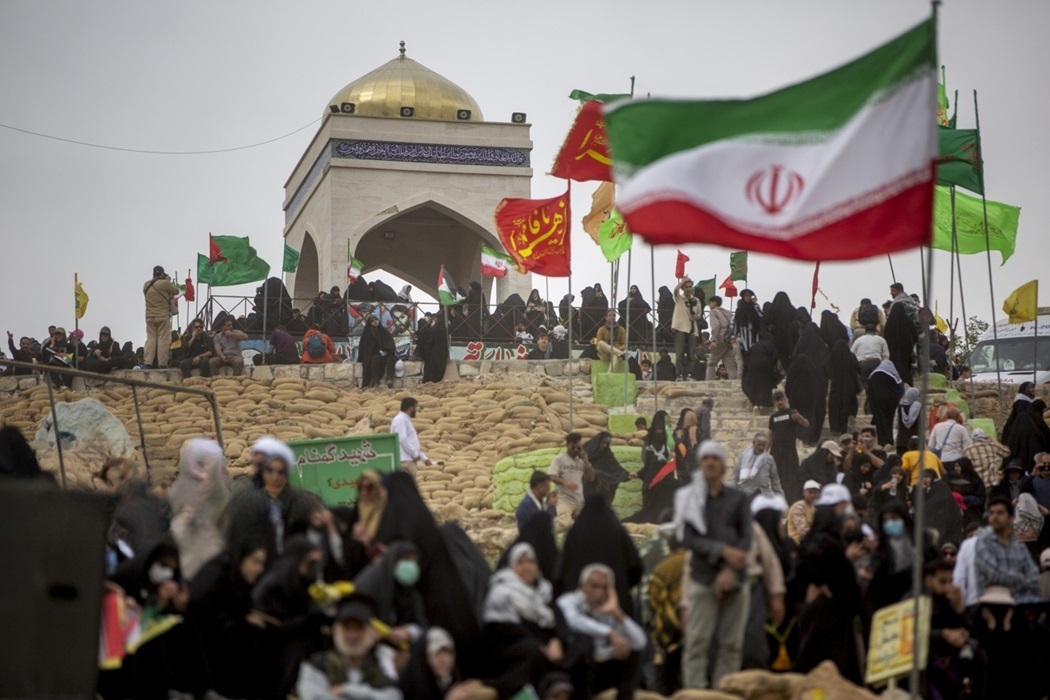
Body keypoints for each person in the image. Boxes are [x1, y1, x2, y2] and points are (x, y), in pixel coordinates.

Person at [675, 441, 752, 689]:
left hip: (735, 577)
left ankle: (724, 692)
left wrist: (729, 569)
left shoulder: (738, 499)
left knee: (732, 644)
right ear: (699, 464)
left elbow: (746, 537)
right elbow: (687, 538)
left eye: (715, 458)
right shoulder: (690, 499)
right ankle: (695, 693)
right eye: (705, 458)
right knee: (697, 642)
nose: (710, 462)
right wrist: (721, 551)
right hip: (703, 577)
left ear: (723, 466)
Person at [481, 543, 563, 697]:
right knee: (533, 653)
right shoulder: (502, 591)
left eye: (531, 562)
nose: (527, 567)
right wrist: (541, 645)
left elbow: (549, 624)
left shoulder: (543, 590)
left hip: (533, 642)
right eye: (521, 563)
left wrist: (553, 640)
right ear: (511, 566)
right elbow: (503, 628)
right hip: (505, 647)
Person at [557, 564, 646, 700]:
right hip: (576, 669)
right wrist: (609, 633)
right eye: (594, 586)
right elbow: (573, 621)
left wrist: (618, 614)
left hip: (602, 666)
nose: (599, 591)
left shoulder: (607, 609)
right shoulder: (569, 601)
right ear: (582, 586)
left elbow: (640, 642)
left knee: (632, 651)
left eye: (604, 587)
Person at [295, 594, 402, 700]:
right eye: (347, 628)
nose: (352, 636)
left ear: (371, 632)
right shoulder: (317, 665)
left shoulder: (384, 668)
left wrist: (346, 690)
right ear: (335, 630)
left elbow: (394, 696)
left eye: (359, 628)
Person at [974, 497, 1041, 604]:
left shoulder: (1019, 547)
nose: (995, 516)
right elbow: (994, 574)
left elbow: (1034, 576)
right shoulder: (982, 542)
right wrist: (1021, 578)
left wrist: (1017, 582)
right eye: (991, 513)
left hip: (1019, 598)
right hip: (992, 600)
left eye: (1000, 513)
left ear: (1011, 518)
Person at [768, 391, 810, 504]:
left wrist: (799, 418)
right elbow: (771, 435)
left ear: (785, 400)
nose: (780, 402)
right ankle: (779, 502)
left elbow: (806, 424)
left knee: (791, 477)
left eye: (781, 399)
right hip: (776, 450)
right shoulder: (773, 417)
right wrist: (765, 451)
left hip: (789, 449)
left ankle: (792, 502)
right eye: (777, 400)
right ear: (774, 403)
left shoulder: (792, 412)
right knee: (777, 477)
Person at [548, 433, 595, 520]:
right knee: (564, 523)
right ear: (567, 445)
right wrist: (565, 482)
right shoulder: (559, 459)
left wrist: (586, 461)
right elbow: (552, 476)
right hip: (564, 501)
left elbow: (590, 478)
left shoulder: (581, 461)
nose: (576, 450)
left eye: (578, 448)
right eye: (573, 447)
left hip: (579, 501)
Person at [143, 265, 180, 369]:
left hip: (149, 316)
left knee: (151, 339)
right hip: (162, 316)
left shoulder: (146, 285)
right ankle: (162, 363)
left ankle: (148, 362)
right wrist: (168, 280)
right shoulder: (165, 283)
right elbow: (176, 291)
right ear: (162, 274)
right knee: (163, 339)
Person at [581, 431, 633, 503]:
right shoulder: (587, 449)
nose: (605, 445)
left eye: (607, 443)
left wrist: (626, 474)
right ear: (598, 441)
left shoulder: (606, 453)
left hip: (600, 484)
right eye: (603, 443)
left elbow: (615, 466)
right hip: (585, 483)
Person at [827, 339, 862, 435]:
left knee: (835, 407)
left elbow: (826, 369)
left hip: (836, 387)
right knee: (847, 406)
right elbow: (859, 369)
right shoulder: (851, 356)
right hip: (849, 387)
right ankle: (845, 427)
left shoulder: (832, 356)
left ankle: (835, 428)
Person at [733, 433, 784, 498]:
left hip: (764, 494)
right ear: (754, 443)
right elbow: (735, 477)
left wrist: (782, 499)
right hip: (747, 494)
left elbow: (775, 481)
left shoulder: (769, 459)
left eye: (763, 445)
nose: (761, 447)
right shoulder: (744, 457)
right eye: (759, 445)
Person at [391, 397, 431, 477]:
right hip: (405, 461)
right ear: (411, 408)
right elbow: (402, 439)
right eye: (415, 408)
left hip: (408, 460)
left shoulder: (405, 420)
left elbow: (412, 442)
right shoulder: (400, 420)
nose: (416, 410)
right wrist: (415, 455)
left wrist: (424, 458)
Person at [867, 359, 904, 447]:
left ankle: (883, 441)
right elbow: (900, 387)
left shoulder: (873, 374)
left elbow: (869, 390)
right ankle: (890, 439)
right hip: (891, 401)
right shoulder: (893, 373)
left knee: (881, 420)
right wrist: (898, 396)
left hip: (877, 401)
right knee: (890, 419)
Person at [672, 278, 702, 379]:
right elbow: (675, 290)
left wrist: (695, 317)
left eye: (690, 287)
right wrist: (682, 282)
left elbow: (699, 314)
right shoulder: (680, 298)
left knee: (691, 354)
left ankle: (689, 373)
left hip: (692, 329)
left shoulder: (696, 301)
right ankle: (679, 374)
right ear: (683, 288)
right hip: (680, 328)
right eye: (686, 287)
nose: (688, 289)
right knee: (679, 354)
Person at [359, 315, 397, 388]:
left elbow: (391, 344)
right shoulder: (367, 333)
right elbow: (365, 347)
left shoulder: (384, 332)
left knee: (391, 359)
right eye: (372, 321)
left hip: (387, 353)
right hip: (375, 354)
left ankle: (389, 379)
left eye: (376, 320)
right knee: (375, 359)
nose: (375, 322)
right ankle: (376, 381)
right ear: (370, 323)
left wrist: (386, 349)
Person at [705, 295, 737, 380]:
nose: (709, 305)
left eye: (710, 303)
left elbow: (716, 326)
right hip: (730, 340)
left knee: (711, 363)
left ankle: (709, 382)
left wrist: (714, 340)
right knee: (731, 364)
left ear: (714, 302)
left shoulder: (713, 312)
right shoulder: (729, 313)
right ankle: (734, 383)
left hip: (720, 338)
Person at [415, 313, 449, 383]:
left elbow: (428, 334)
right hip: (434, 358)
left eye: (433, 321)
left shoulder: (439, 331)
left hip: (436, 359)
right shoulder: (438, 330)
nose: (431, 323)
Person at [894, 387, 922, 453]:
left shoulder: (899, 408)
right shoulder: (920, 407)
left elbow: (896, 424)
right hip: (916, 442)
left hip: (901, 441)